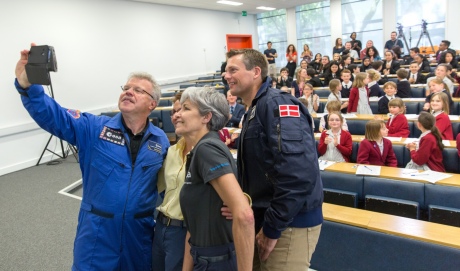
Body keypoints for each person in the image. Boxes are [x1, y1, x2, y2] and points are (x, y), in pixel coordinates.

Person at [14, 44, 170, 270]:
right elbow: (54, 115)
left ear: (152, 104)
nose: (128, 91)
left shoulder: (160, 141)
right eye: (126, 87)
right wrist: (28, 86)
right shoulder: (94, 128)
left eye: (138, 90)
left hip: (140, 234)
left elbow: (169, 185)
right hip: (98, 232)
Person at [224, 48, 323, 270]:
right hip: (266, 217)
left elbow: (298, 174)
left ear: (256, 71)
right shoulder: (254, 108)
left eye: (233, 70)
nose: (226, 75)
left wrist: (273, 227)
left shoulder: (277, 105)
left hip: (288, 222)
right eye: (225, 70)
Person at [178, 87, 255, 271]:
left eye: (186, 108)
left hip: (217, 260)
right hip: (203, 256)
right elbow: (194, 223)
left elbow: (244, 215)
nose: (178, 114)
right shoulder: (199, 150)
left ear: (206, 117)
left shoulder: (207, 150)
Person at [154, 92, 189, 271]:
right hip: (161, 227)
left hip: (183, 231)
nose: (176, 115)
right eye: (173, 112)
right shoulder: (171, 151)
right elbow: (159, 188)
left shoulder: (207, 152)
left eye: (182, 110)